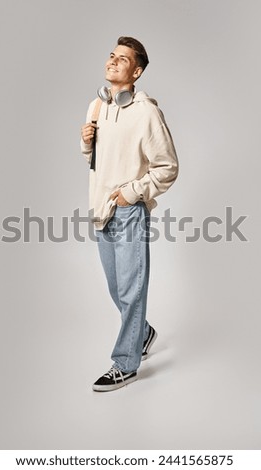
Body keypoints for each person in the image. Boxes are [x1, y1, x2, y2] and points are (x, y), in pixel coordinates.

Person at [80, 36, 179, 392]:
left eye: (122, 58)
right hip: (100, 210)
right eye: (111, 54)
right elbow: (97, 162)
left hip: (127, 212)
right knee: (117, 288)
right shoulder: (96, 106)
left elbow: (167, 167)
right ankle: (144, 332)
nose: (113, 60)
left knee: (132, 289)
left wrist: (131, 193)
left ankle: (125, 363)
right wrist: (87, 142)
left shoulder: (146, 112)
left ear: (136, 72)